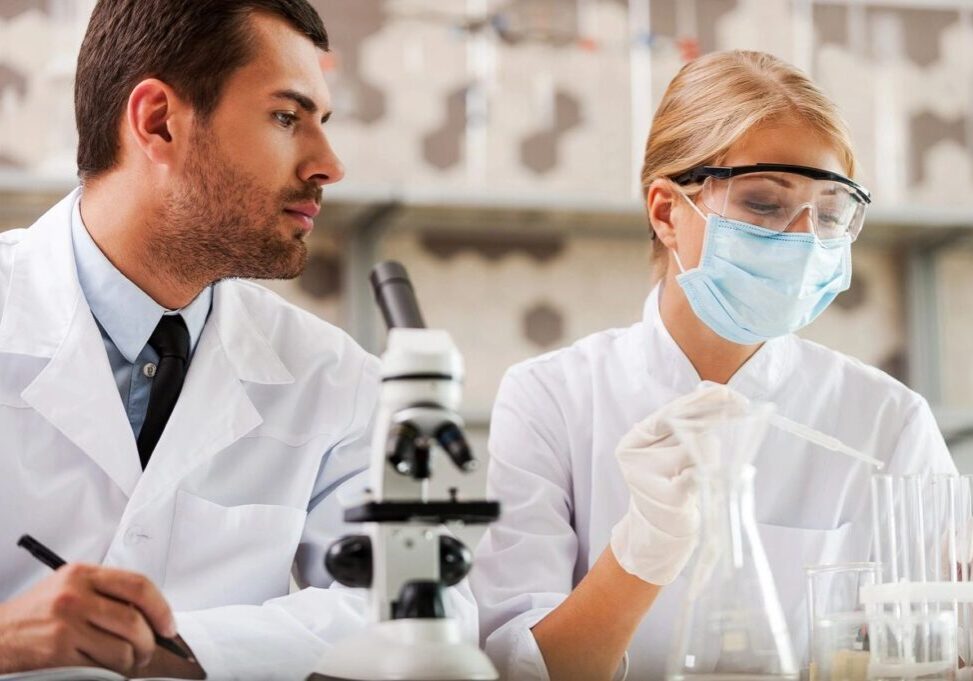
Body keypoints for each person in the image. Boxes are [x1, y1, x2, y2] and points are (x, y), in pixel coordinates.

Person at [0, 1, 474, 679]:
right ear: (159, 121)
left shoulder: (333, 375)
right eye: (287, 117)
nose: (329, 165)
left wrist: (183, 650)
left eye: (323, 123)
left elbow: (427, 606)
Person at [470, 50, 957, 680]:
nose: (804, 239)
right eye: (763, 203)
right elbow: (521, 670)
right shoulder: (552, 398)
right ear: (668, 212)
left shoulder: (886, 420)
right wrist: (638, 553)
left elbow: (942, 651)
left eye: (830, 211)